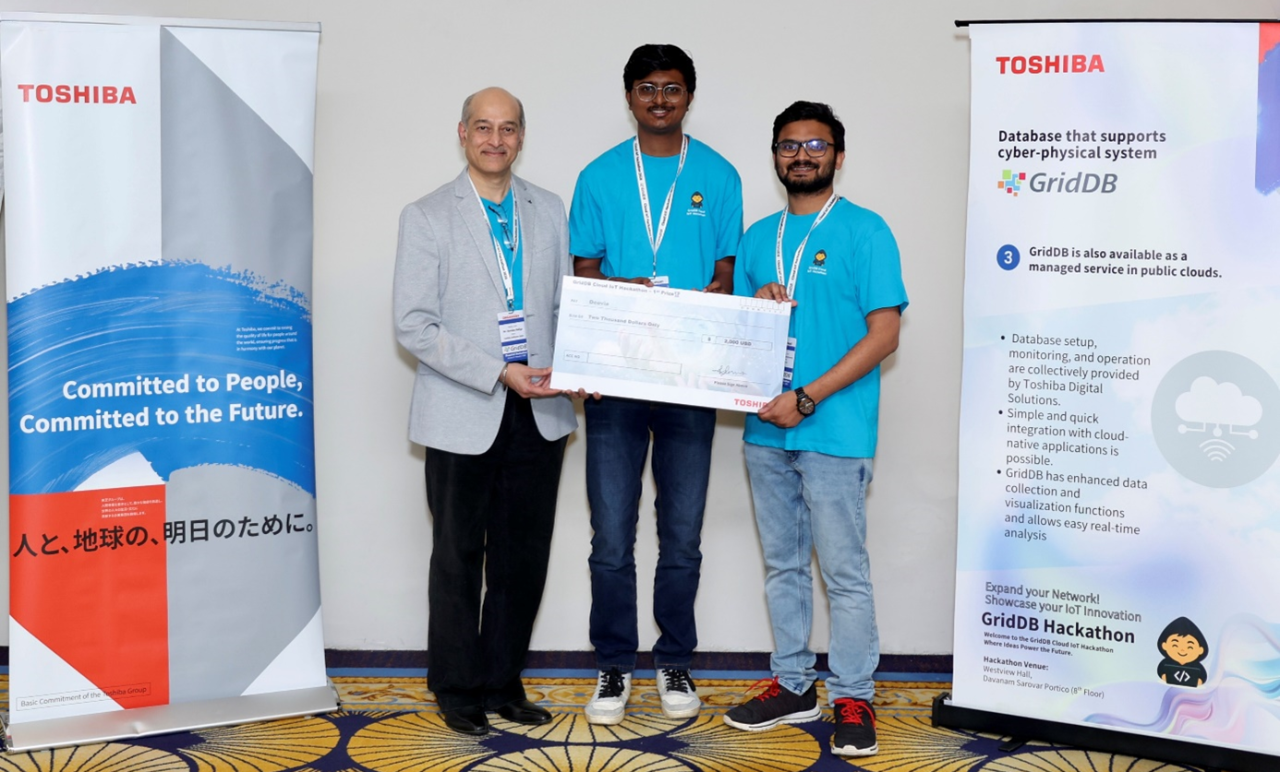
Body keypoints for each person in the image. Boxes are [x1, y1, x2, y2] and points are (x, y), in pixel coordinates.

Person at [722, 101, 907, 758]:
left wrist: (807, 397)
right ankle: (794, 685)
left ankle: (853, 694)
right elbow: (735, 337)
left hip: (834, 429)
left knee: (844, 574)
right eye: (789, 145)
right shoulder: (757, 237)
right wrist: (753, 306)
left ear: (838, 155)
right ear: (775, 156)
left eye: (816, 145)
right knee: (783, 567)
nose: (801, 155)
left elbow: (884, 335)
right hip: (767, 432)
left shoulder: (866, 231)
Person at [393, 87, 576, 736]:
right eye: (483, 127)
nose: (496, 140)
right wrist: (498, 371)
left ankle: (502, 681)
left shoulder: (549, 209)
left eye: (508, 128)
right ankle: (456, 687)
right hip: (462, 409)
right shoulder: (426, 215)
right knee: (458, 556)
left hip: (541, 411)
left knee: (522, 559)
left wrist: (583, 367)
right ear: (462, 133)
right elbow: (413, 325)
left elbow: (566, 307)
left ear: (522, 136)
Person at [568, 43, 743, 725]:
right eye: (647, 87)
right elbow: (584, 274)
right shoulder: (599, 176)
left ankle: (674, 659)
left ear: (688, 96)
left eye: (672, 88)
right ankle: (614, 665)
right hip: (616, 378)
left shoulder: (719, 175)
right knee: (611, 536)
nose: (660, 99)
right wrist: (627, 295)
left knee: (682, 534)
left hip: (690, 381)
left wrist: (697, 306)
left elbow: (725, 276)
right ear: (629, 96)